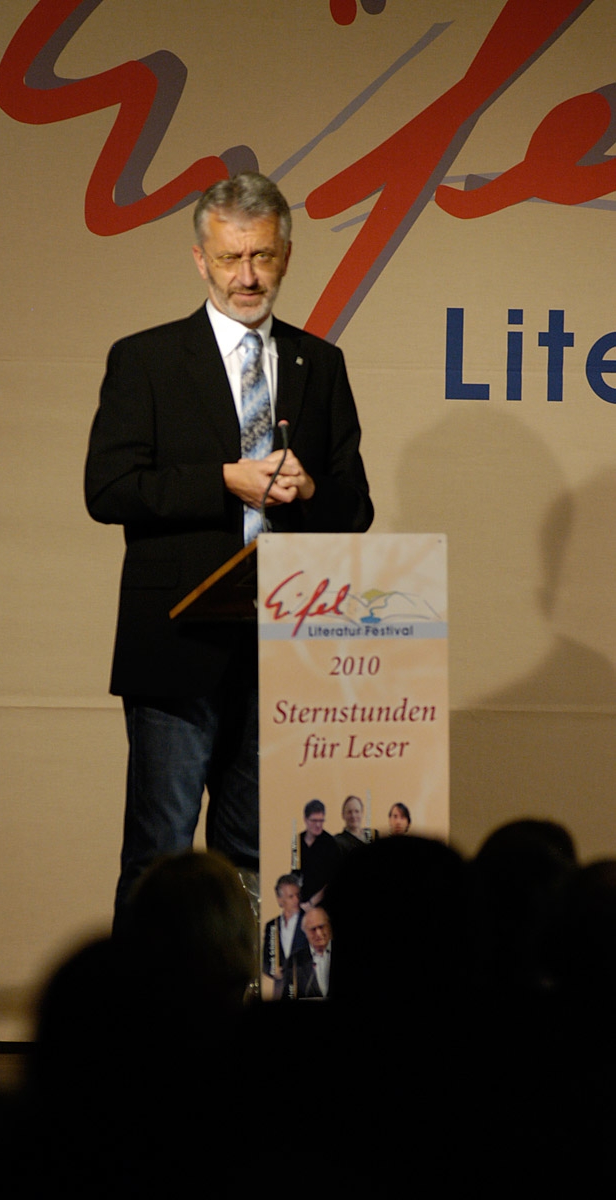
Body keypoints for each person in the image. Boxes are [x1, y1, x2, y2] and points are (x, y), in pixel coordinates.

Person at [85, 171, 373, 923]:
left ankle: (241, 1023)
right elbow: (108, 488)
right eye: (230, 259)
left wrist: (309, 492)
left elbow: (356, 506)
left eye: (264, 258)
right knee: (159, 851)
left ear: (286, 256)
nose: (248, 277)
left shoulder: (319, 364)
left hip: (281, 643)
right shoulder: (145, 359)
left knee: (252, 854)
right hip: (177, 641)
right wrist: (224, 482)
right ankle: (142, 1032)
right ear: (199, 260)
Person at [263, 874, 308, 998]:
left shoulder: (309, 922)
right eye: (290, 897)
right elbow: (266, 959)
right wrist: (273, 971)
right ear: (280, 900)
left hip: (305, 990)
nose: (296, 900)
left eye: (297, 895)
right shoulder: (272, 925)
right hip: (280, 990)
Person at [297, 799, 342, 910]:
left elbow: (333, 880)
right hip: (301, 902)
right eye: (314, 821)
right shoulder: (297, 840)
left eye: (321, 821)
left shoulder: (330, 843)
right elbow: (295, 871)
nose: (318, 825)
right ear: (305, 820)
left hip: (323, 904)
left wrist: (311, 903)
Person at [285, 906, 333, 999]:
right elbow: (289, 996)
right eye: (313, 929)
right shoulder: (295, 961)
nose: (318, 933)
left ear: (329, 927)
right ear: (305, 933)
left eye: (321, 927)